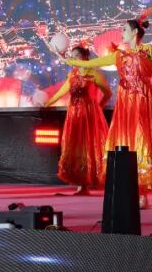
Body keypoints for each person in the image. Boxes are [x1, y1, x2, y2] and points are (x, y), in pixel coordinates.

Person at [63, 9, 152, 210]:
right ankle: (132, 191)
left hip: (143, 102)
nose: (121, 33)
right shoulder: (119, 55)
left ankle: (142, 193)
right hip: (125, 105)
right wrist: (69, 60)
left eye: (124, 30)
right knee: (126, 142)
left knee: (142, 142)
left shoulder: (149, 50)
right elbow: (92, 63)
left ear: (135, 32)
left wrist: (151, 89)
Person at [43, 43, 111, 194]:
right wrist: (47, 103)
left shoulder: (95, 74)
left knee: (89, 146)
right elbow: (61, 92)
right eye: (72, 57)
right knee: (76, 146)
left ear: (85, 56)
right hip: (74, 114)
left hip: (89, 115)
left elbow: (108, 93)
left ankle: (90, 182)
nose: (73, 59)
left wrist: (98, 107)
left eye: (76, 56)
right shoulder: (72, 75)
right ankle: (81, 184)